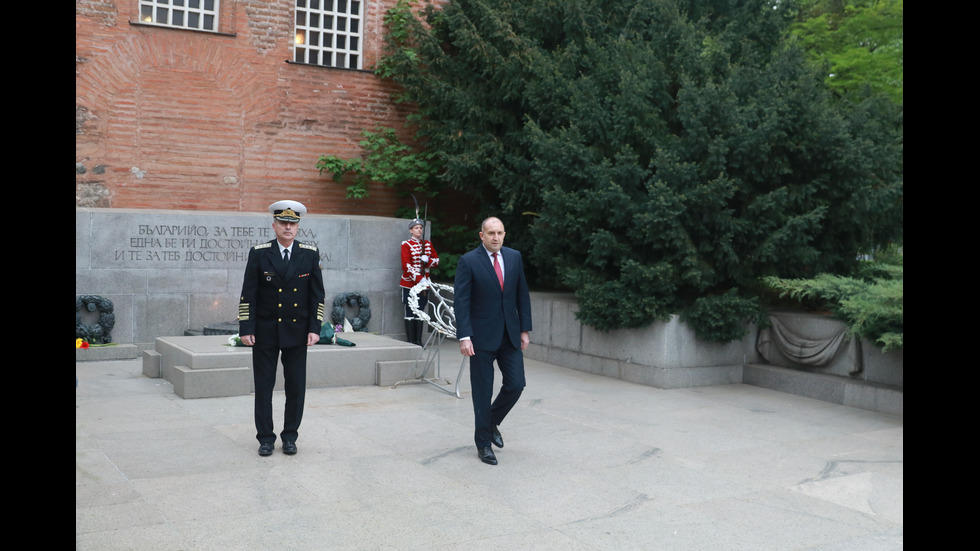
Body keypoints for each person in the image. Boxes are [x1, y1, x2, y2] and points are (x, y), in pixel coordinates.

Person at [238, 200, 325, 457]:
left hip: (297, 331)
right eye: (283, 223)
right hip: (264, 331)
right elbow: (248, 294)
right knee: (264, 387)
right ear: (274, 225)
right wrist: (246, 327)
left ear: (298, 228)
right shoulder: (260, 252)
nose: (288, 227)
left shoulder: (309, 253)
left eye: (293, 223)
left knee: (295, 387)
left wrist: (315, 327)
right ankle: (265, 438)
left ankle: (290, 437)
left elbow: (317, 295)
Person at [454, 216, 532, 465]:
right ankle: (483, 444)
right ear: (482, 236)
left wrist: (524, 330)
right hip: (480, 338)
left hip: (510, 334)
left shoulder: (514, 257)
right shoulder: (468, 261)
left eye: (499, 233)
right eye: (491, 233)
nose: (496, 237)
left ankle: (489, 422)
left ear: (504, 234)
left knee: (516, 384)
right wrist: (464, 336)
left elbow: (522, 294)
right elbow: (462, 301)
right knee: (482, 392)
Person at [400, 217, 439, 346]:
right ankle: (410, 341)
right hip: (410, 283)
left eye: (421, 228)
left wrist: (428, 260)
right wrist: (418, 278)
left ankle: (418, 341)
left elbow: (436, 261)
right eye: (416, 228)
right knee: (410, 310)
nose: (419, 230)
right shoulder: (406, 245)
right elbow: (406, 265)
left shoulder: (427, 244)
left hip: (424, 284)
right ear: (411, 230)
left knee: (421, 311)